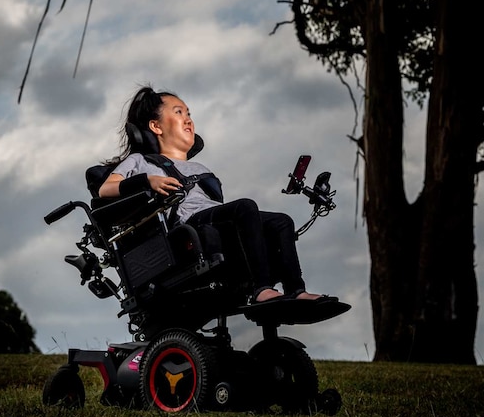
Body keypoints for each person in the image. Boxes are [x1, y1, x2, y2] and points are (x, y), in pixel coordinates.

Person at [99, 85, 332, 304]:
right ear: (156, 127)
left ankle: (296, 290)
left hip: (214, 220)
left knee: (282, 221)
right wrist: (148, 180)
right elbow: (105, 189)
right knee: (245, 207)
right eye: (178, 112)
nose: (188, 119)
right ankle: (262, 288)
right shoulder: (140, 161)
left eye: (189, 113)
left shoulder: (201, 169)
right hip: (186, 224)